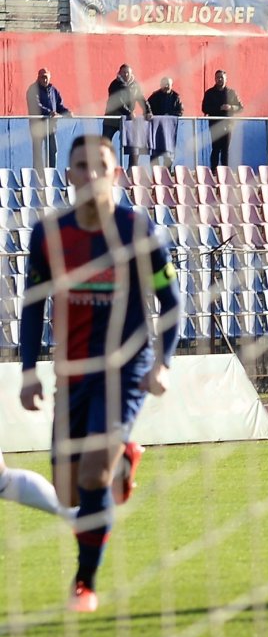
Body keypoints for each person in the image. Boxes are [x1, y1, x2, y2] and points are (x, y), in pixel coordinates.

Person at [18, 136, 181, 613]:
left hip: (124, 370)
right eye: (81, 167)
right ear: (68, 176)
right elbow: (33, 308)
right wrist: (29, 371)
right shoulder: (49, 234)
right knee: (71, 493)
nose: (91, 175)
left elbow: (171, 303)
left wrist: (163, 364)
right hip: (71, 372)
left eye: (100, 166)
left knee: (92, 476)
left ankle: (84, 583)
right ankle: (126, 456)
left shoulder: (138, 230)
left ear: (117, 174)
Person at [26, 67, 72, 173]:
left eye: (46, 77)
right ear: (38, 77)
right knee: (38, 152)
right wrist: (49, 112)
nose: (45, 80)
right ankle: (37, 175)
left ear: (50, 77)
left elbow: (59, 106)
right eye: (42, 77)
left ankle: (51, 174)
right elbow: (36, 105)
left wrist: (67, 112)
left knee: (53, 150)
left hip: (51, 126)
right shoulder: (33, 89)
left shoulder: (53, 90)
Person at [201, 69, 243, 170]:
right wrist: (219, 108)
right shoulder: (209, 93)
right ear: (215, 79)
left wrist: (230, 107)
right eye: (217, 77)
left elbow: (240, 108)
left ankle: (225, 172)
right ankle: (213, 172)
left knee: (225, 150)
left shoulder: (231, 93)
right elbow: (204, 109)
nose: (219, 79)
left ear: (226, 79)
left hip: (228, 125)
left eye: (222, 77)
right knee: (215, 149)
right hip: (214, 125)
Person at [145, 76, 183, 167]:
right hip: (156, 129)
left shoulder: (176, 97)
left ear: (171, 85)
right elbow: (147, 107)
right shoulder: (154, 96)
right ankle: (155, 175)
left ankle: (167, 175)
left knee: (168, 152)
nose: (166, 86)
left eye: (168, 84)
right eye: (164, 84)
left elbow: (180, 111)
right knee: (154, 152)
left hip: (169, 130)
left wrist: (168, 115)